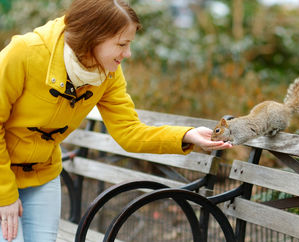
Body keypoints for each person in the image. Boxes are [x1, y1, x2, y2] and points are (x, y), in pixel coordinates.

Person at [0, 0, 231, 241]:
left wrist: (186, 135)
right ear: (93, 37)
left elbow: (129, 132)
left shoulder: (107, 73)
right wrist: (4, 194)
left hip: (42, 174)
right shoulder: (25, 53)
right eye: (122, 44)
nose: (128, 53)